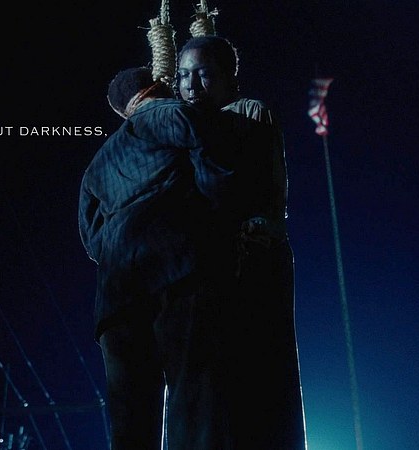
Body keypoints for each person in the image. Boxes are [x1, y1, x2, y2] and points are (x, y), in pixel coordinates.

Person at [79, 66, 239, 450]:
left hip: (116, 301)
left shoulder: (96, 165)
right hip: (177, 275)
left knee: (130, 428)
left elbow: (92, 241)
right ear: (156, 86)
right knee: (193, 406)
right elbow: (214, 167)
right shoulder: (168, 114)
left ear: (122, 110)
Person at [169, 34, 307, 449]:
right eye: (184, 76)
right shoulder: (178, 124)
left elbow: (267, 185)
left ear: (228, 76)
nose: (192, 85)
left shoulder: (249, 112)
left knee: (258, 378)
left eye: (204, 74)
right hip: (202, 270)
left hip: (252, 256)